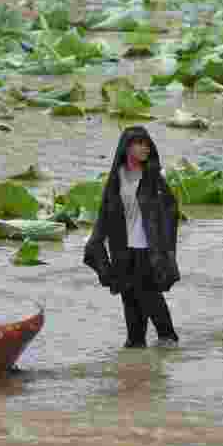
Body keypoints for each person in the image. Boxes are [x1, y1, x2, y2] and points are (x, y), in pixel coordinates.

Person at [83, 125, 181, 348]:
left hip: (148, 249)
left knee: (149, 295)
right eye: (140, 144)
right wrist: (96, 243)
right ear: (127, 148)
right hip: (123, 249)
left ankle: (168, 338)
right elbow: (105, 214)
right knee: (129, 299)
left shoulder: (154, 178)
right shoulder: (116, 178)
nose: (145, 148)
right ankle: (135, 347)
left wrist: (165, 246)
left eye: (147, 144)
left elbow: (171, 211)